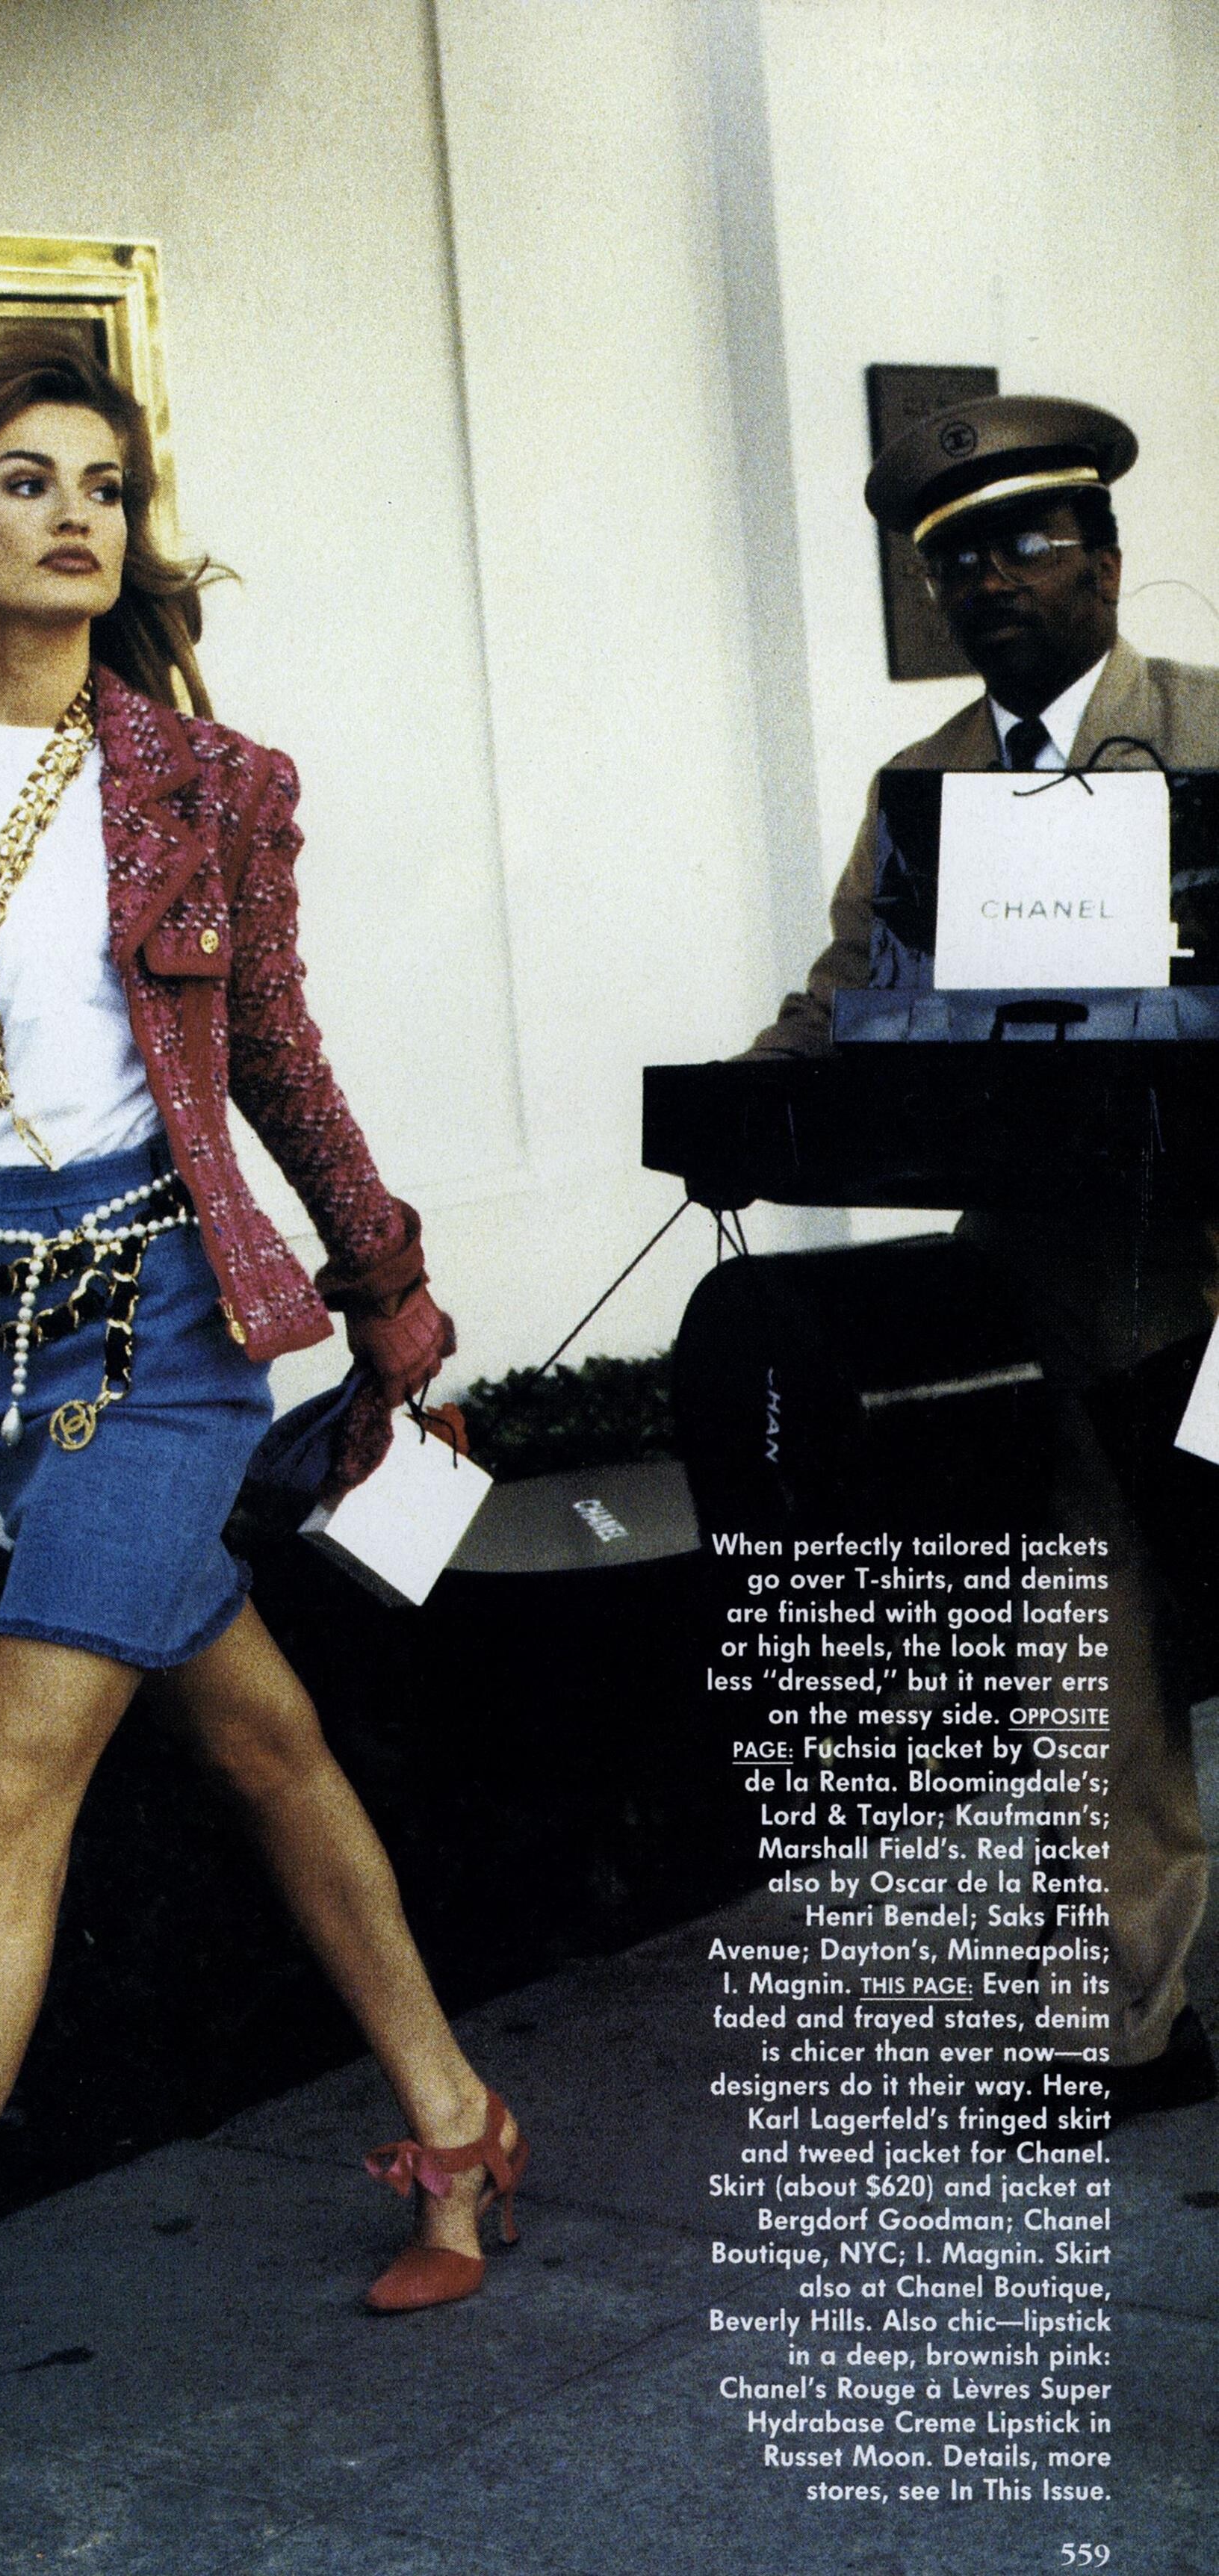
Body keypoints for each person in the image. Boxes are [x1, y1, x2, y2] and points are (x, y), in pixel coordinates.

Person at [0, 326, 525, 2562]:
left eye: (107, 487)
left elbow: (282, 1059)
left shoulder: (204, 782)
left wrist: (386, 1284)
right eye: (30, 481)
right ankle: (456, 2116)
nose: (77, 516)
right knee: (256, 1738)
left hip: (159, 1335)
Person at [751, 391, 1218, 2125]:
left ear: (1105, 557)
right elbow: (848, 991)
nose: (994, 580)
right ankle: (1131, 2023)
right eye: (958, 560)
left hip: (1217, 1253)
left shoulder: (1208, 729)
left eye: (1028, 541)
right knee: (1089, 1644)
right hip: (1058, 1284)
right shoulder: (925, 782)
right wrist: (754, 1085)